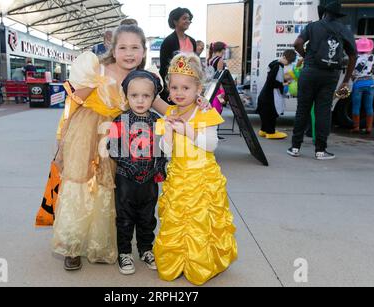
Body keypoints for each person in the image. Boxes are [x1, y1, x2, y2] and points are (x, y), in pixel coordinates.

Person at [51, 25, 210, 271]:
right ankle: (72, 246)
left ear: (144, 51)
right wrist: (63, 136)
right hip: (88, 132)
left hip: (120, 139)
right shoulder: (98, 70)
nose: (128, 53)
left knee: (108, 191)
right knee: (81, 186)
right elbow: (73, 100)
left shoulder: (143, 79)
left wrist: (196, 106)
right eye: (122, 47)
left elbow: (165, 107)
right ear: (112, 49)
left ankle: (99, 243)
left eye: (135, 47)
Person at [153, 53, 238, 286]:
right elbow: (166, 151)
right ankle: (177, 261)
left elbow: (211, 145)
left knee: (200, 223)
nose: (179, 93)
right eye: (174, 87)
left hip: (201, 178)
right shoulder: (170, 113)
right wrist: (169, 133)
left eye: (186, 87)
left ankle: (200, 263)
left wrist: (185, 130)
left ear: (198, 88)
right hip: (179, 178)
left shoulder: (205, 112)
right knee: (177, 222)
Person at [107, 70, 167, 275]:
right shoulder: (119, 120)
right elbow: (113, 149)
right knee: (124, 218)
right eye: (134, 96)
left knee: (147, 217)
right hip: (125, 179)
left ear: (154, 97)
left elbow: (161, 150)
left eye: (146, 96)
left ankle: (145, 248)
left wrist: (159, 168)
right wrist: (130, 167)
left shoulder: (159, 122)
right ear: (126, 96)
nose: (140, 100)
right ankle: (124, 252)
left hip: (150, 181)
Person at [288, 1, 357, 160]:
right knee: (323, 112)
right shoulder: (343, 30)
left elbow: (297, 43)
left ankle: (295, 147)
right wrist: (346, 80)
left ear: (324, 13)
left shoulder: (313, 26)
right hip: (330, 75)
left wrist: (306, 58)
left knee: (302, 110)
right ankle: (320, 150)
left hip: (309, 72)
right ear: (338, 15)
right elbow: (353, 55)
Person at [257, 49, 297, 139]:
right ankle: (270, 132)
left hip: (264, 95)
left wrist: (284, 80)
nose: (288, 64)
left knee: (265, 114)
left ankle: (264, 130)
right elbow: (271, 81)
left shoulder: (275, 63)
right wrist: (284, 83)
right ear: (286, 58)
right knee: (272, 113)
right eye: (289, 62)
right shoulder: (278, 66)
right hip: (270, 96)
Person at [159, 7, 197, 102]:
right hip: (173, 86)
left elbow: (195, 65)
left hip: (189, 85)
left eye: (189, 19)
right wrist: (168, 88)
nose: (188, 21)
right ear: (175, 21)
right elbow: (164, 67)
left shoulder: (192, 41)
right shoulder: (168, 41)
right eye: (184, 18)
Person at [351, 37, 374, 134]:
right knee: (369, 106)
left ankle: (356, 127)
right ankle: (369, 128)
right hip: (370, 83)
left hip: (358, 83)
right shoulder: (373, 57)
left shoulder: (355, 58)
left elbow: (352, 73)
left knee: (356, 106)